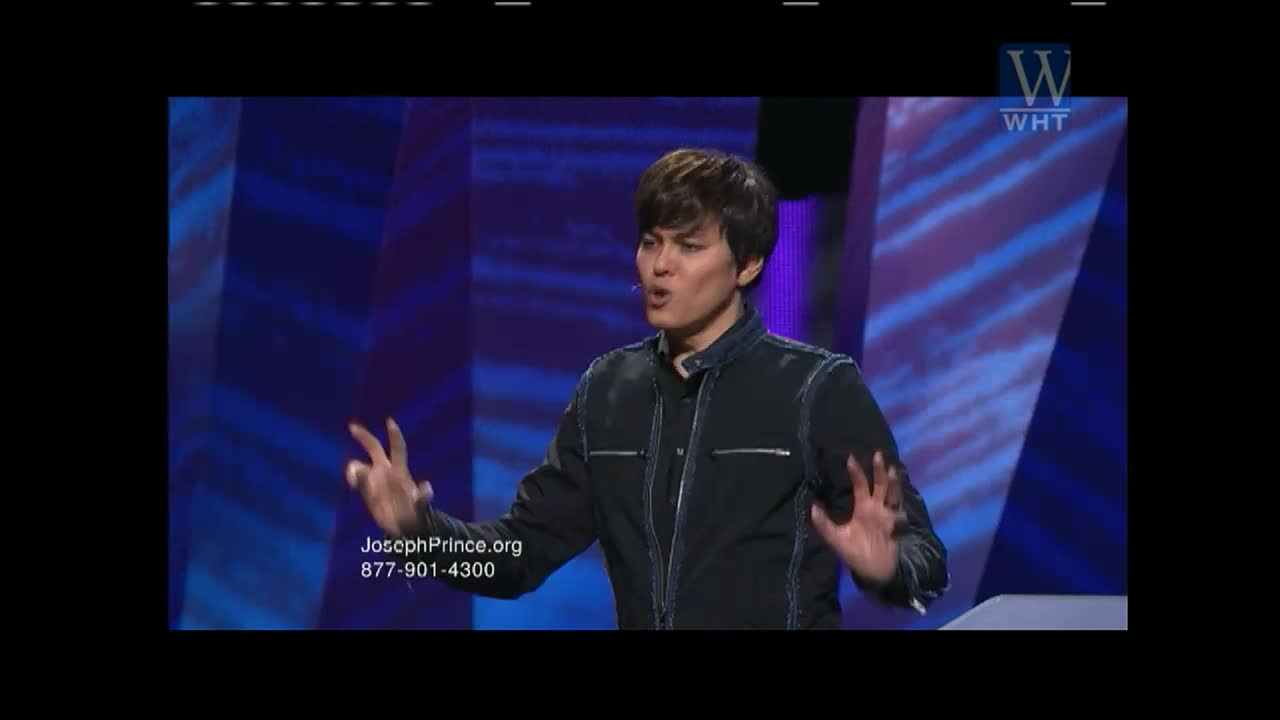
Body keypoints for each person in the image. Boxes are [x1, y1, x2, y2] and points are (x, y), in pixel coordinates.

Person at [345, 148, 949, 630]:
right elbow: (519, 555)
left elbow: (925, 559)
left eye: (688, 247)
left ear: (748, 266)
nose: (660, 266)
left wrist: (890, 566)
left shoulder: (818, 387)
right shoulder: (608, 390)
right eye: (651, 242)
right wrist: (418, 536)